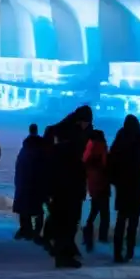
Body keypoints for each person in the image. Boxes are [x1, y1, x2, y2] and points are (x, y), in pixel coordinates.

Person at [48, 105, 93, 268]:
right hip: (66, 185)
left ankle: (65, 250)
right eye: (85, 122)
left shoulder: (76, 132)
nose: (86, 126)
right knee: (66, 220)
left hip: (72, 184)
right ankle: (63, 255)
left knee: (69, 220)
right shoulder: (68, 135)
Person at [107, 115, 140, 263]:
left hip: (123, 184)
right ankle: (130, 250)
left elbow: (111, 158)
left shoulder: (120, 136)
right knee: (133, 221)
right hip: (137, 183)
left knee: (121, 219)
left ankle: (117, 252)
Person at [13, 124, 47, 240]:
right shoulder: (42, 149)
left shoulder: (25, 149)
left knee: (24, 207)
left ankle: (26, 229)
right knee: (38, 208)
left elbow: (19, 167)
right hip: (38, 182)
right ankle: (36, 231)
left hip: (25, 182)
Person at [82, 129, 110, 251]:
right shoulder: (102, 147)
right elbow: (106, 165)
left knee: (94, 211)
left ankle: (87, 234)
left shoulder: (88, 148)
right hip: (102, 183)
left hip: (92, 183)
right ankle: (102, 237)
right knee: (104, 213)